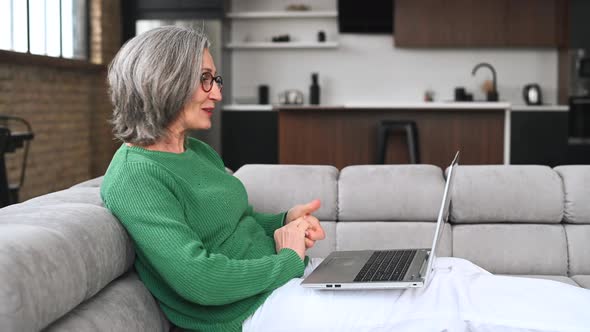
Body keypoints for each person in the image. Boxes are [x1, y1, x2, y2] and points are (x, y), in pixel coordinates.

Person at [102, 26, 590, 332]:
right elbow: (198, 278)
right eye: (206, 80)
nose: (217, 92)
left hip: (285, 283)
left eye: (216, 79)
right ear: (163, 81)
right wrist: (290, 257)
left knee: (450, 273)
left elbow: (236, 222)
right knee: (447, 305)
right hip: (251, 315)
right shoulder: (135, 176)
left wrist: (284, 219)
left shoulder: (194, 150)